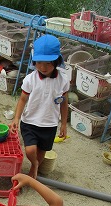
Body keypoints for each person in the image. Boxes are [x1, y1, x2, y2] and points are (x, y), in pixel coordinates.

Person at [9, 34, 69, 179]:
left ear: (56, 61)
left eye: (48, 63)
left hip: (50, 123)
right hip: (30, 120)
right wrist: (16, 119)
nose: (43, 67)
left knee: (42, 150)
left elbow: (64, 102)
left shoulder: (63, 80)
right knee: (30, 150)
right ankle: (35, 163)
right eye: (39, 62)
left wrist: (63, 124)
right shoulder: (30, 79)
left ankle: (34, 167)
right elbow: (23, 99)